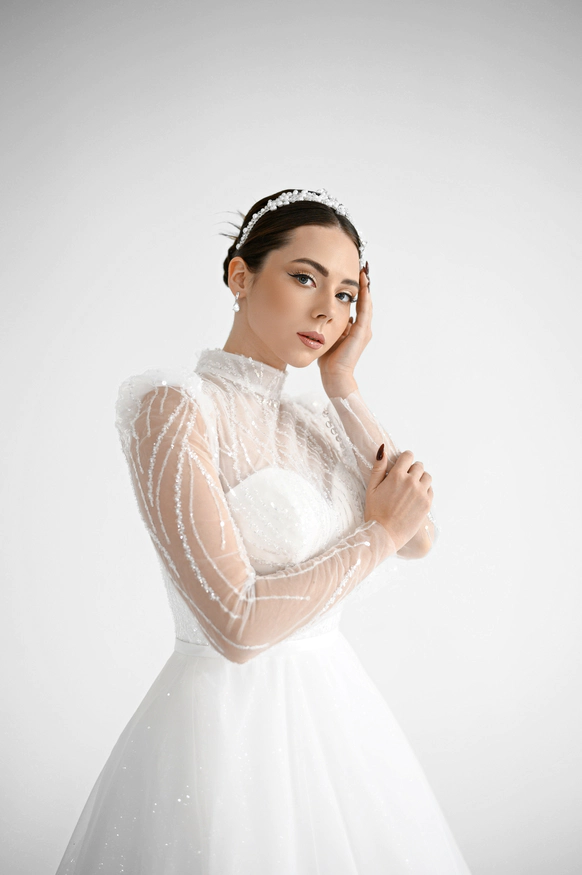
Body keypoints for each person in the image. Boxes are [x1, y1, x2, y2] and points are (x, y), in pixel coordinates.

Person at [55, 188, 471, 873]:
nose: (327, 311)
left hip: (338, 718)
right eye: (305, 277)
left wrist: (343, 384)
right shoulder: (175, 407)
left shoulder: (314, 420)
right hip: (222, 731)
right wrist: (376, 535)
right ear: (240, 276)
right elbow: (237, 627)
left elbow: (419, 534)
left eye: (346, 295)